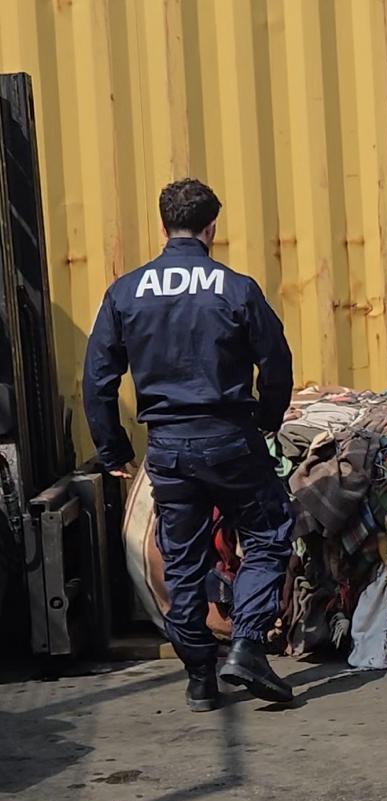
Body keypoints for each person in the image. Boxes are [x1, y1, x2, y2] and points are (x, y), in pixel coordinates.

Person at [83, 178, 295, 710]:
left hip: (169, 449)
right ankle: (246, 643)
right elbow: (276, 364)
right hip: (232, 439)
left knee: (182, 561)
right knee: (268, 534)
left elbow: (98, 381)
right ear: (212, 229)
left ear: (162, 226)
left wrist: (114, 452)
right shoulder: (237, 288)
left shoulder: (125, 292)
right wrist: (267, 421)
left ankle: (200, 677)